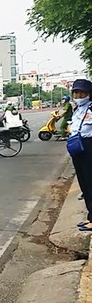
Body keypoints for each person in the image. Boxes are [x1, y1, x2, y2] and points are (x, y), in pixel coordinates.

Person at [67, 80, 92, 231]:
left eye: (82, 93)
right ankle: (91, 216)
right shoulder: (78, 109)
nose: (78, 95)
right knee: (84, 184)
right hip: (78, 148)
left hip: (89, 147)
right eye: (76, 93)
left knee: (90, 182)